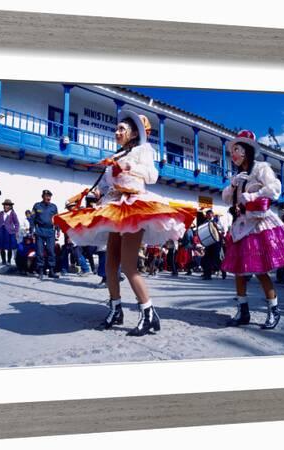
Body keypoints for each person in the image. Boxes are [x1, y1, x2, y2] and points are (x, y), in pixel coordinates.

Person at [53, 110, 196, 336]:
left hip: (134, 208)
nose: (117, 132)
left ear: (132, 133)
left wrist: (129, 167)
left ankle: (149, 313)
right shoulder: (116, 156)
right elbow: (108, 185)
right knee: (110, 264)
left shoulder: (143, 151)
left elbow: (152, 176)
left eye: (122, 129)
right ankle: (116, 308)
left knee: (129, 266)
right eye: (117, 128)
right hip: (114, 206)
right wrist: (86, 195)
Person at [221, 130, 284, 329]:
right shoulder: (238, 176)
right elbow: (226, 198)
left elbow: (275, 188)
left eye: (237, 149)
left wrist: (253, 195)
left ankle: (273, 311)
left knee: (260, 270)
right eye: (232, 150)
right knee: (239, 272)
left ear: (247, 151)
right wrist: (233, 185)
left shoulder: (260, 168)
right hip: (241, 225)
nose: (233, 154)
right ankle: (243, 312)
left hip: (258, 224)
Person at [30, 189, 60, 280]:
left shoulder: (54, 207)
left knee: (51, 251)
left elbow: (57, 219)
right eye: (46, 196)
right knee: (39, 252)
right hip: (39, 231)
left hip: (50, 231)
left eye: (49, 196)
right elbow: (32, 219)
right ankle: (41, 271)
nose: (48, 198)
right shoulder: (37, 206)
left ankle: (51, 271)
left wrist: (58, 230)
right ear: (43, 197)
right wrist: (32, 231)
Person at [0, 199, 19, 265]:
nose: (6, 206)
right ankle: (3, 260)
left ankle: (9, 261)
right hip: (1, 232)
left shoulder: (12, 214)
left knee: (9, 248)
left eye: (7, 205)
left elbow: (16, 223)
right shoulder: (0, 213)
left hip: (9, 232)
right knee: (1, 247)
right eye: (5, 205)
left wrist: (16, 231)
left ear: (10, 206)